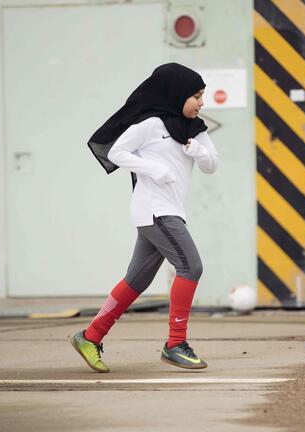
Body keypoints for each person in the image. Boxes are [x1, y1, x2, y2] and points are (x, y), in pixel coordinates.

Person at [70, 63, 218, 373]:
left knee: (136, 280)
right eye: (196, 96)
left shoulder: (194, 129)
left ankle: (90, 336)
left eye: (202, 96)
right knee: (191, 267)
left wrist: (197, 152)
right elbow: (116, 152)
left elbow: (211, 164)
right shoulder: (152, 125)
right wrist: (154, 170)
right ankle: (176, 344)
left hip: (170, 210)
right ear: (176, 94)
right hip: (154, 208)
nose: (201, 102)